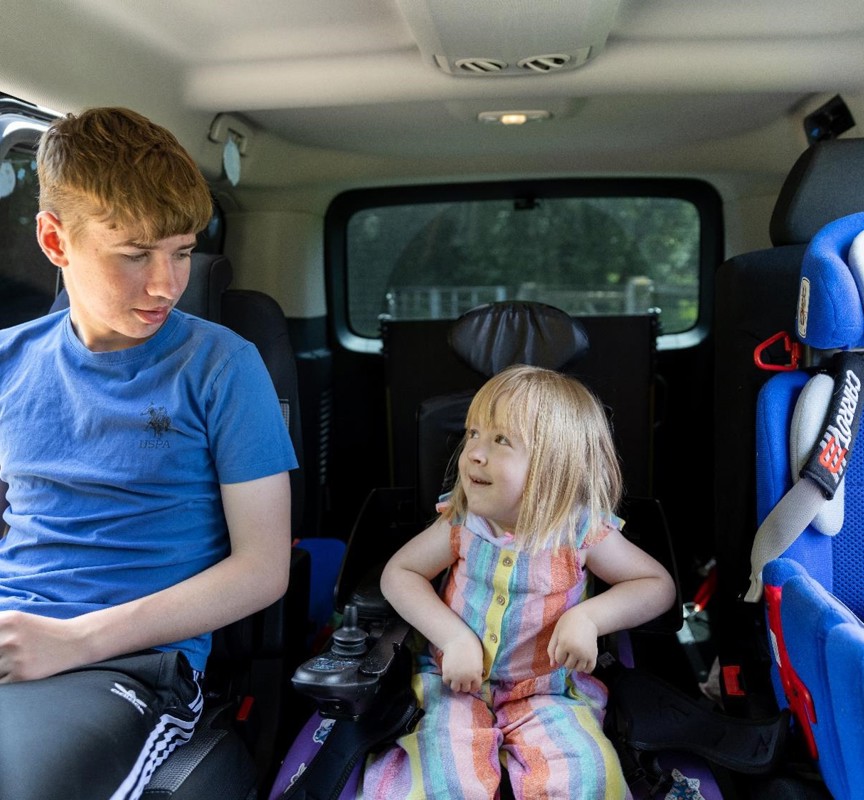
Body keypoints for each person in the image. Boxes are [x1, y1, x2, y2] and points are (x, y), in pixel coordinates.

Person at [0, 107, 297, 800]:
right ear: (54, 240)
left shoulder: (222, 365)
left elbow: (263, 569)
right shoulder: (8, 365)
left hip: (132, 667)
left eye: (182, 251)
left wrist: (74, 642)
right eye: (135, 255)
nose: (167, 284)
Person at [362, 364, 676, 799]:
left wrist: (589, 618)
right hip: (453, 683)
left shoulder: (581, 531)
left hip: (548, 691)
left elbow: (655, 585)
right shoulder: (462, 522)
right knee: (440, 780)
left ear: (555, 465)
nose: (473, 451)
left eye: (500, 440)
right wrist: (453, 638)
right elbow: (400, 574)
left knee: (587, 778)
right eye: (473, 433)